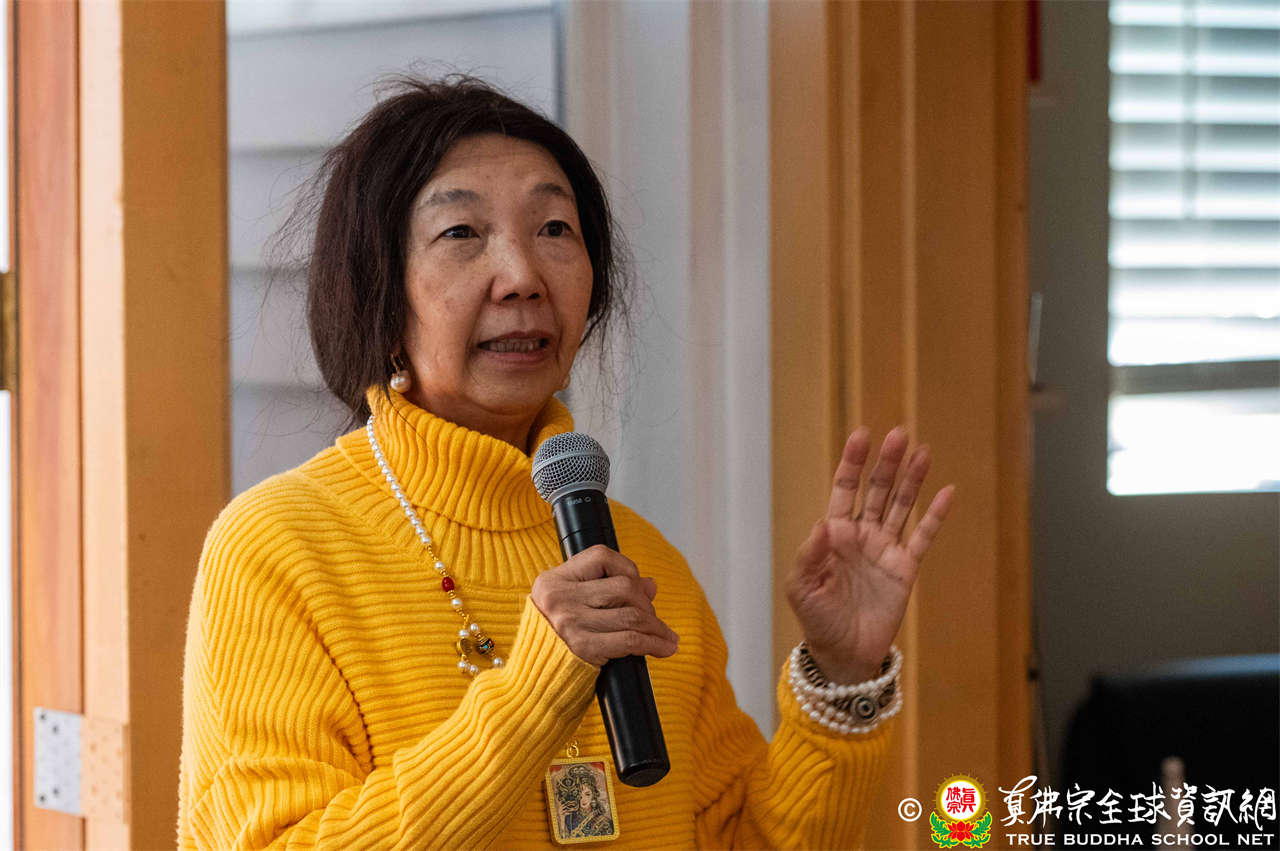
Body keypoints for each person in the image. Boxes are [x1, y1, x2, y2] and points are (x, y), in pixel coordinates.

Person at [177, 75, 954, 850]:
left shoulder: (643, 565)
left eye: (554, 228)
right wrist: (532, 696)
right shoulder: (278, 548)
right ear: (378, 293)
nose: (522, 276)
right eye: (462, 233)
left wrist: (843, 675)